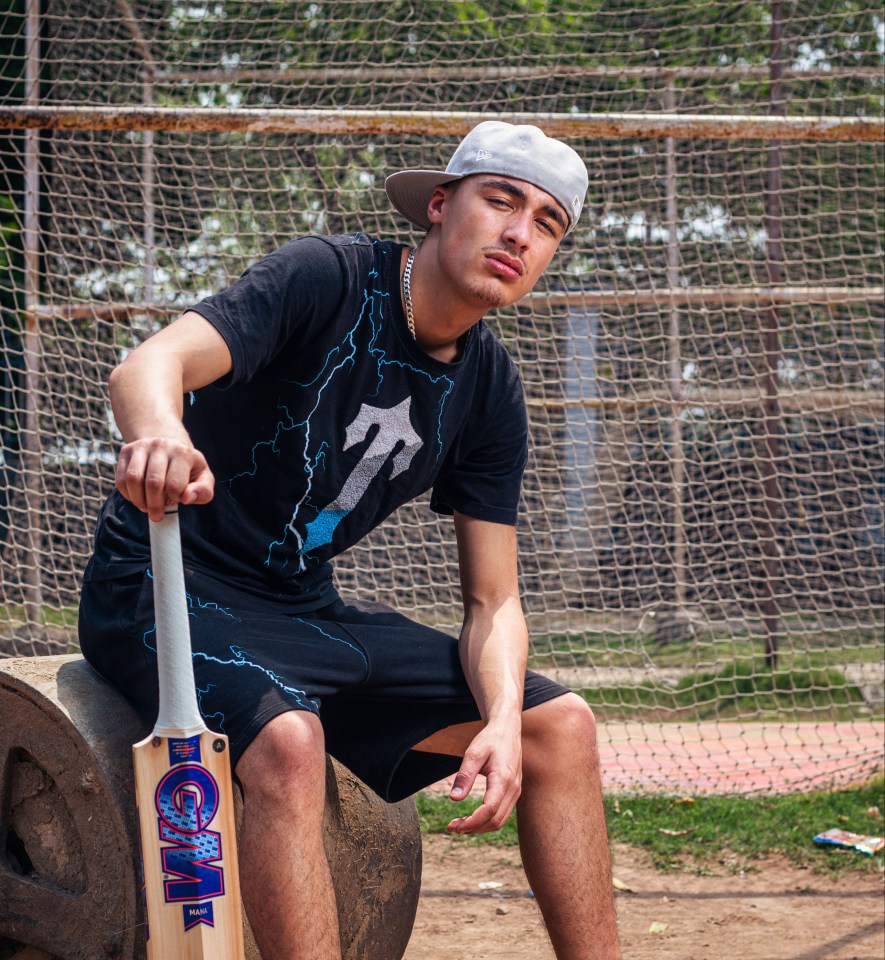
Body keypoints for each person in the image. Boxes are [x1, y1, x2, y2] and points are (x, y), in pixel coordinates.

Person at [78, 120, 621, 960]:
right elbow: (147, 365)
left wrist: (504, 720)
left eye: (547, 223)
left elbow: (493, 599)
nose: (520, 232)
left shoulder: (489, 388)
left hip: (301, 609)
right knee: (290, 742)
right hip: (160, 585)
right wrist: (157, 433)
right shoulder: (326, 277)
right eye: (501, 201)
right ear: (440, 206)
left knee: (562, 727)